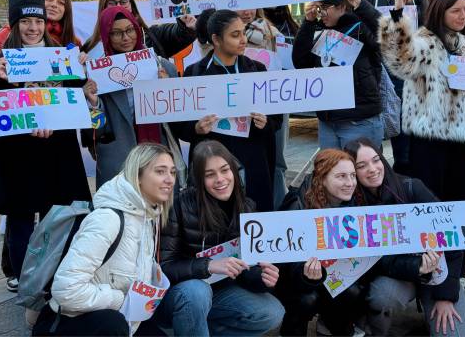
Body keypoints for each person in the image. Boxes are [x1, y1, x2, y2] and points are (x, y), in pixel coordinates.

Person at [379, 0, 465, 277]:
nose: (462, 15)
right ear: (441, 10)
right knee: (430, 202)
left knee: (459, 203)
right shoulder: (425, 41)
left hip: (462, 137)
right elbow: (398, 58)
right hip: (428, 138)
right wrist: (396, 16)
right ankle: (427, 265)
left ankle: (458, 270)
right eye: (456, 10)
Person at [0, 0, 91, 281]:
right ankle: (25, 282)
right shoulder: (1, 60)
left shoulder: (61, 54)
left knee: (57, 218)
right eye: (26, 21)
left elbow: (78, 93)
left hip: (59, 152)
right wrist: (1, 81)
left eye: (38, 21)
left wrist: (83, 77)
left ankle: (56, 279)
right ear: (15, 24)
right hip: (20, 155)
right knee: (21, 221)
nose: (33, 28)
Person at [32, 143, 175, 336]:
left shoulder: (147, 215)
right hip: (69, 322)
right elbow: (66, 289)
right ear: (138, 176)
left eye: (173, 172)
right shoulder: (108, 219)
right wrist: (121, 299)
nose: (170, 180)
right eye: (160, 172)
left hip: (118, 315)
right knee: (113, 324)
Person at [344, 138, 465, 336]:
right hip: (399, 276)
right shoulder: (353, 206)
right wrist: (418, 267)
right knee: (381, 295)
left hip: (439, 274)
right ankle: (369, 324)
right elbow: (375, 262)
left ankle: (435, 303)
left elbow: (454, 242)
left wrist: (445, 296)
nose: (372, 169)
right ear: (353, 173)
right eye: (362, 166)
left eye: (376, 160)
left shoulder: (411, 187)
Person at [157, 140, 285, 336]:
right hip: (180, 295)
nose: (220, 179)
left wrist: (262, 277)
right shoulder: (179, 206)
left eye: (225, 170)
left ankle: (196, 328)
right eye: (210, 174)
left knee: (272, 312)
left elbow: (245, 268)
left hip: (220, 292)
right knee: (197, 292)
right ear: (199, 179)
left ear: (234, 170)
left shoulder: (247, 206)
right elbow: (164, 269)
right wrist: (207, 266)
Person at [178, 10, 281, 212]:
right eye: (235, 35)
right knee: (215, 222)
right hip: (213, 167)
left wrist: (265, 123)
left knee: (254, 223)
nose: (243, 40)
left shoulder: (257, 70)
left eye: (243, 32)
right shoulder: (194, 74)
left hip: (253, 164)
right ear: (216, 39)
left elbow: (276, 120)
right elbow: (181, 127)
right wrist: (196, 128)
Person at [346, 0, 428, 175]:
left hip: (404, 80)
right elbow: (340, 6)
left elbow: (421, 32)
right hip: (369, 79)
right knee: (368, 152)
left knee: (405, 156)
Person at [82, 6, 185, 189]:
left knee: (164, 216)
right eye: (116, 33)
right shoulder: (98, 76)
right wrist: (93, 102)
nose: (126, 37)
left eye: (130, 30)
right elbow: (96, 133)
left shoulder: (163, 67)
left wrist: (167, 90)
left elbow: (180, 121)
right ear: (106, 36)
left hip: (159, 159)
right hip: (120, 168)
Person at [276, 149, 369, 336]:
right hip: (292, 280)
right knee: (307, 299)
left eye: (352, 175)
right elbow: (284, 264)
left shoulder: (353, 202)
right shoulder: (297, 204)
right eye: (341, 176)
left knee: (352, 291)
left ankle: (333, 327)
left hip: (332, 273)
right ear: (322, 178)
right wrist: (305, 275)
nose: (350, 183)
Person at [292, 0, 383, 149]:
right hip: (328, 121)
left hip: (358, 119)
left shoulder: (361, 27)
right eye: (317, 8)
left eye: (324, 8)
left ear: (341, 6)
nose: (321, 14)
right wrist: (308, 22)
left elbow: (388, 35)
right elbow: (300, 62)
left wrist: (361, 5)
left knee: (361, 171)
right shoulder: (321, 31)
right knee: (332, 172)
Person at [238, 8, 289, 209]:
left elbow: (286, 64)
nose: (247, 11)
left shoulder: (272, 31)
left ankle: (278, 206)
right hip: (240, 107)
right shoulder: (219, 31)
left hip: (271, 103)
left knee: (277, 162)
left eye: (251, 4)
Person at [81, 0, 197, 59]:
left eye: (123, 1)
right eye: (111, 3)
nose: (119, 6)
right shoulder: (91, 46)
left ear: (132, 5)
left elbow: (176, 33)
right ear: (103, 7)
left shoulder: (152, 36)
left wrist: (184, 25)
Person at [0, 0, 81, 54]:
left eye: (61, 2)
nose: (54, 5)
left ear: (66, 9)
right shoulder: (7, 34)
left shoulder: (73, 41)